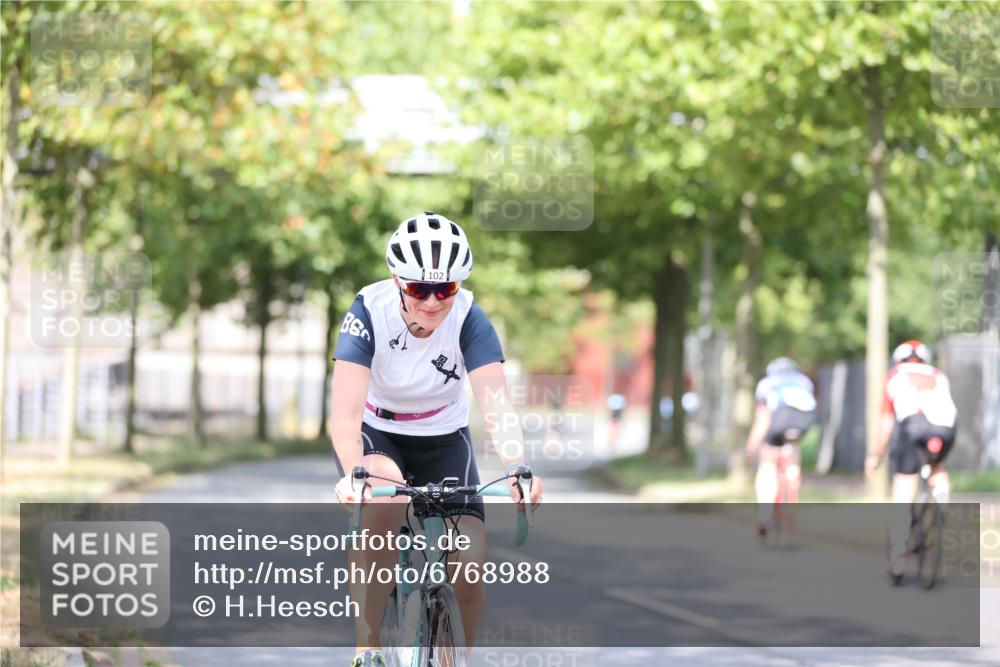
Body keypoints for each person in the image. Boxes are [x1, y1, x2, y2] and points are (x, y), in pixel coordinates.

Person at [329, 212, 544, 667]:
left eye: (444, 288)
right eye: (418, 288)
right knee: (382, 502)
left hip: (443, 434)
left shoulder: (469, 317)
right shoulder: (367, 312)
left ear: (458, 285)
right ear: (396, 279)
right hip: (378, 431)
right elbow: (344, 418)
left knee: (469, 563)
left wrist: (517, 466)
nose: (431, 300)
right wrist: (354, 473)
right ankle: (367, 647)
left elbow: (497, 406)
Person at [865, 339, 957, 583]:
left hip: (913, 425)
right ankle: (940, 490)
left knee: (903, 491)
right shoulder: (938, 374)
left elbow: (886, 424)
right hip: (946, 428)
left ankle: (898, 555)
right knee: (937, 466)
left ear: (899, 359)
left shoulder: (894, 375)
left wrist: (875, 456)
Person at [745, 357, 817, 538]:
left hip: (779, 420)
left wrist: (752, 444)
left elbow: (763, 419)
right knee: (792, 454)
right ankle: (793, 480)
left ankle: (764, 513)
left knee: (767, 464)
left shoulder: (767, 383)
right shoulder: (804, 381)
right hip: (802, 423)